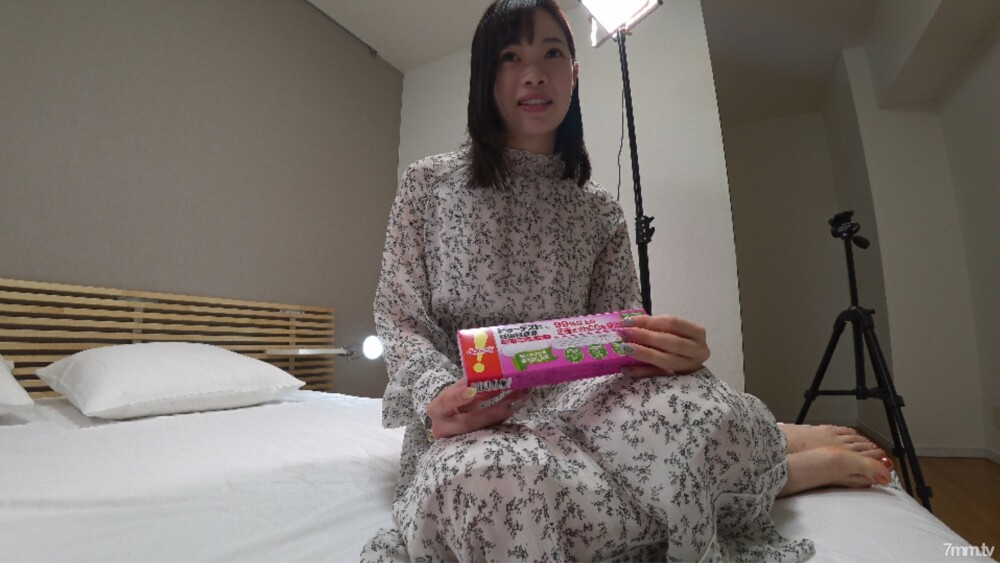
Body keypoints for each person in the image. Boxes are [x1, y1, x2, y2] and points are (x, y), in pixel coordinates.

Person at [362, 1, 891, 560]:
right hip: (471, 415)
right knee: (489, 487)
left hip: (582, 403)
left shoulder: (597, 212)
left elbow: (618, 332)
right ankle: (783, 469)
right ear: (484, 77)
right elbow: (399, 317)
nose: (533, 73)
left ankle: (773, 449)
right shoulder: (428, 186)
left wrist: (667, 352)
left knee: (697, 403)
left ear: (573, 73)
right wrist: (436, 396)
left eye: (551, 53)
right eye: (510, 57)